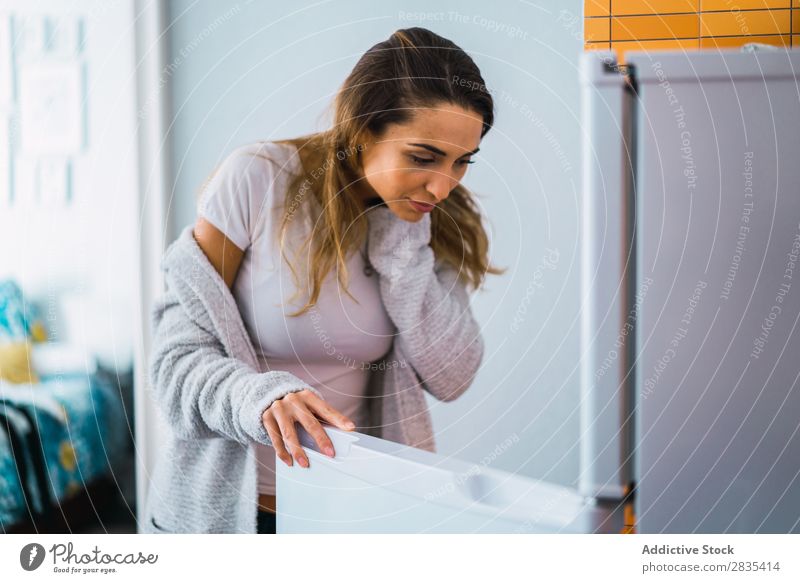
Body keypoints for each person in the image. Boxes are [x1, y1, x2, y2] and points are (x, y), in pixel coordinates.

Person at [144, 27, 504, 535]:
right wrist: (260, 399)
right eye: (422, 158)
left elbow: (453, 375)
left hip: (351, 518)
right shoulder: (257, 179)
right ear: (362, 132)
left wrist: (403, 241)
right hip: (226, 517)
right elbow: (172, 365)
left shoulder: (435, 222)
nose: (442, 185)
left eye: (461, 162)